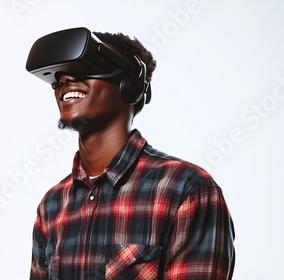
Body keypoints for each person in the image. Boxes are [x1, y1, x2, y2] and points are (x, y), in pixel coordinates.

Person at [26, 28, 235, 279]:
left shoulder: (187, 190)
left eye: (85, 68)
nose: (64, 80)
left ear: (130, 85)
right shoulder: (52, 205)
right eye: (58, 77)